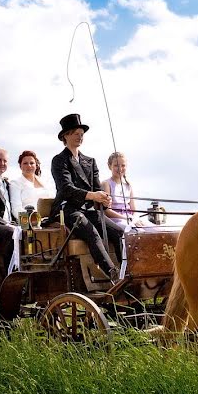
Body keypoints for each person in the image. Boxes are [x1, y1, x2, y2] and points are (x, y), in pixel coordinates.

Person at [48, 113, 125, 283]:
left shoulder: (90, 161)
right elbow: (66, 188)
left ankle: (127, 271)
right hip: (67, 209)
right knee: (92, 233)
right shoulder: (59, 160)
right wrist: (93, 196)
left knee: (119, 232)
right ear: (65, 136)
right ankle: (111, 273)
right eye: (76, 133)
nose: (80, 137)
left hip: (89, 209)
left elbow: (97, 189)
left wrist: (104, 199)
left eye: (82, 134)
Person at [100, 151, 149, 227]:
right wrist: (126, 219)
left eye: (123, 165)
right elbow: (107, 211)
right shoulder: (106, 183)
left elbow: (134, 210)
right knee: (131, 229)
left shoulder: (128, 185)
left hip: (130, 219)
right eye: (116, 165)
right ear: (109, 166)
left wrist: (134, 219)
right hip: (116, 221)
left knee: (154, 229)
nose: (120, 168)